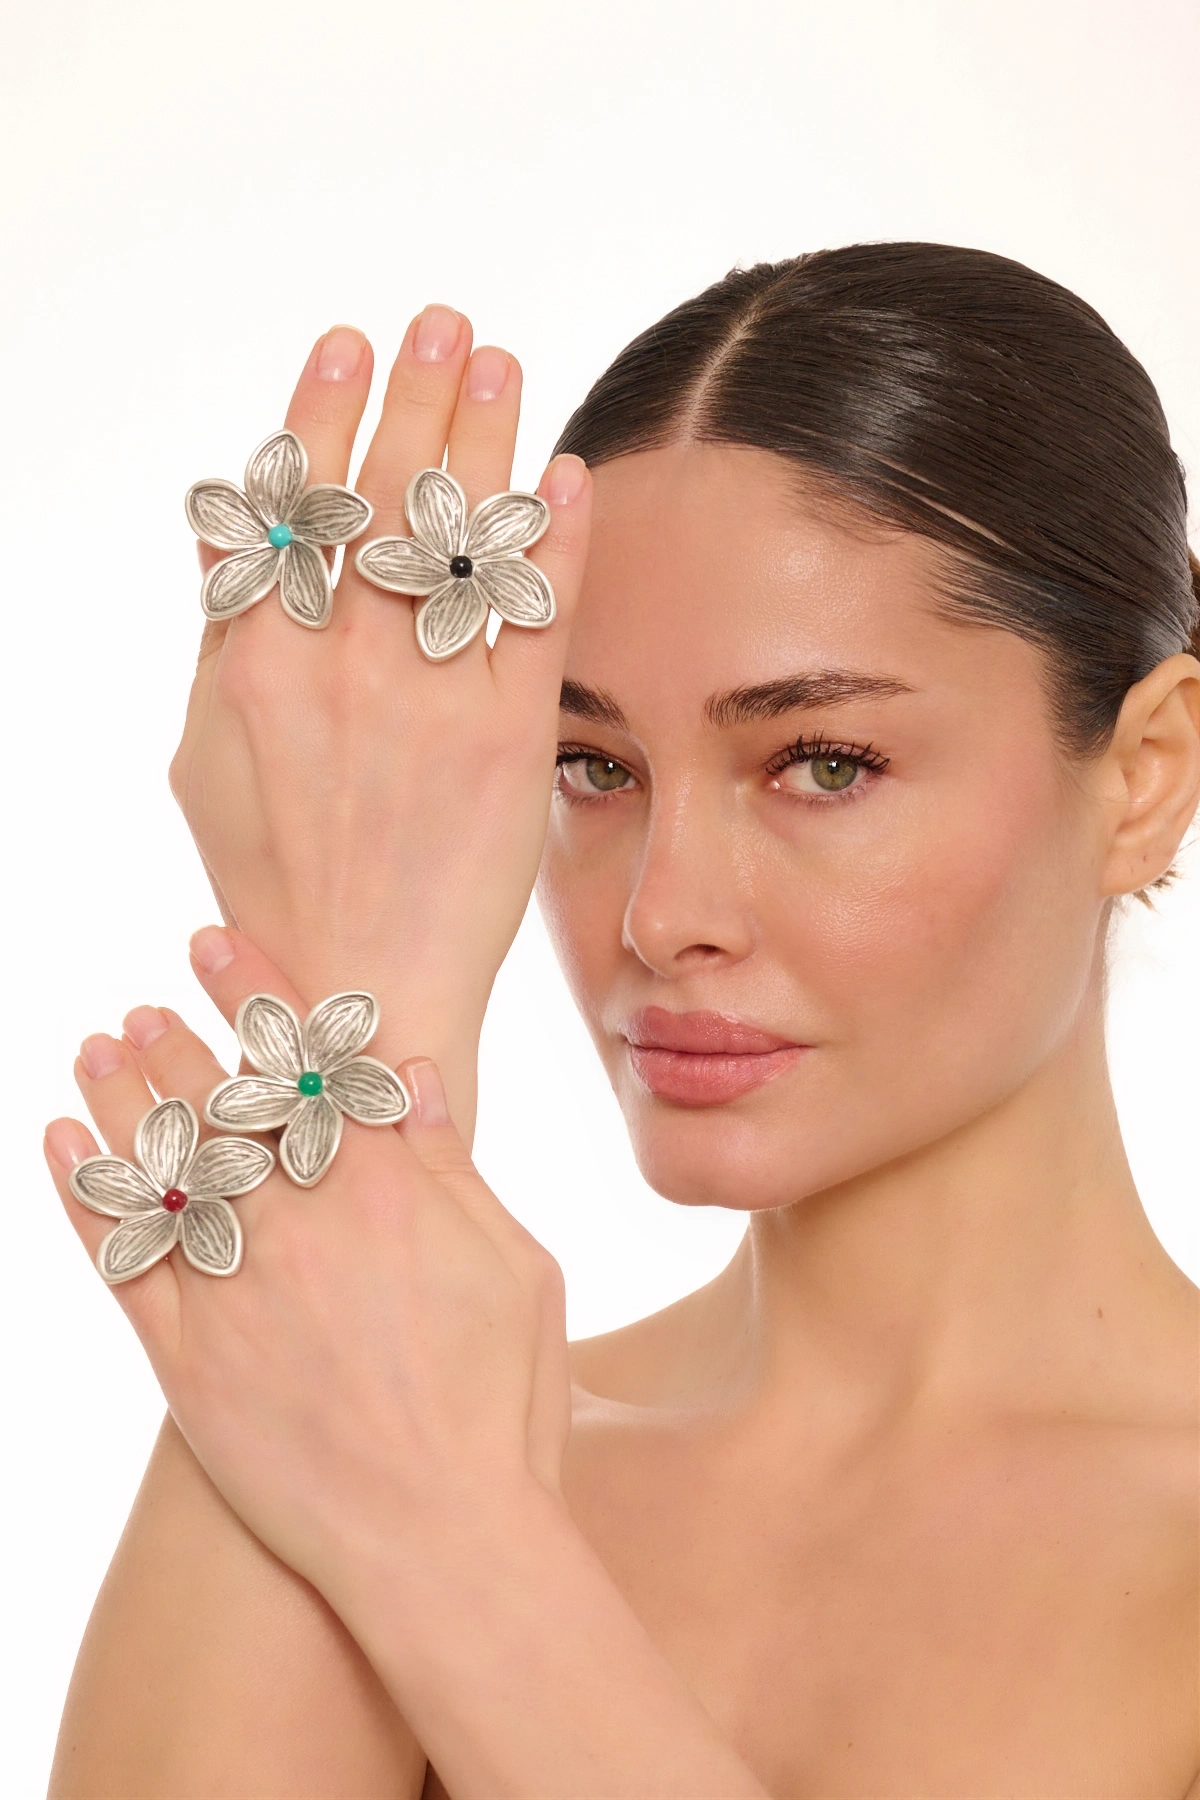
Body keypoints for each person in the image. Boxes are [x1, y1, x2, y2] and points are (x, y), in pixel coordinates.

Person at [43, 244, 1200, 1796]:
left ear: (1146, 776)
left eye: (824, 763)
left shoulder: (418, 1463)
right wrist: (352, 990)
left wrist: (451, 1541)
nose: (661, 915)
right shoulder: (394, 1415)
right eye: (591, 767)